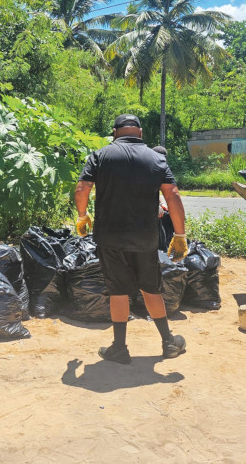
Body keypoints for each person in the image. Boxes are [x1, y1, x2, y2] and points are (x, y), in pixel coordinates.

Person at [74, 114, 189, 365]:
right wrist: (179, 235)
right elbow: (173, 195)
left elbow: (82, 188)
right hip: (144, 237)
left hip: (110, 236)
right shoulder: (155, 157)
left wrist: (82, 216)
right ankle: (168, 342)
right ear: (140, 133)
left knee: (118, 291)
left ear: (115, 132)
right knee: (151, 288)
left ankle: (119, 348)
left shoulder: (101, 155)